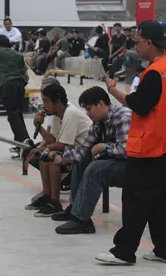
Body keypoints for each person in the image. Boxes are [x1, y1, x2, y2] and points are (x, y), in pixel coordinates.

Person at [98, 20, 166, 266]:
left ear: (149, 42)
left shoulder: (154, 73)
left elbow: (140, 105)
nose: (135, 46)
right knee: (160, 201)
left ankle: (123, 251)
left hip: (151, 147)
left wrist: (113, 91)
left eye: (137, 42)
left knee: (135, 200)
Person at [50, 87, 131, 234]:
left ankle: (81, 220)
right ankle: (75, 209)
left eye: (89, 109)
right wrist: (61, 159)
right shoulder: (98, 123)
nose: (88, 113)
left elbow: (127, 150)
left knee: (96, 169)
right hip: (117, 162)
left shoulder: (123, 117)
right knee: (81, 162)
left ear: (101, 103)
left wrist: (103, 147)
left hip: (134, 165)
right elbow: (83, 150)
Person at [24, 84, 92, 216]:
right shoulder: (56, 114)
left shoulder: (70, 113)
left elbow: (61, 145)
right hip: (73, 152)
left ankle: (55, 203)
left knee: (51, 156)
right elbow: (53, 140)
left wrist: (40, 149)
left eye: (45, 101)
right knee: (45, 155)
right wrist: (39, 126)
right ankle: (47, 196)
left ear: (58, 102)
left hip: (86, 155)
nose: (43, 105)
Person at [0, 35, 30, 153]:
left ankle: (25, 142)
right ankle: (19, 143)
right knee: (18, 114)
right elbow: (26, 75)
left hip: (7, 85)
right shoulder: (18, 54)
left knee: (12, 115)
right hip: (20, 84)